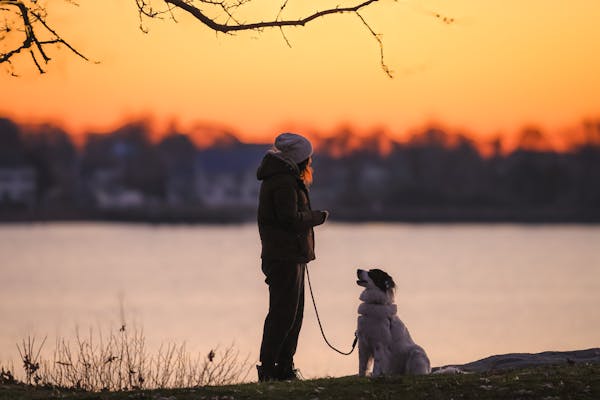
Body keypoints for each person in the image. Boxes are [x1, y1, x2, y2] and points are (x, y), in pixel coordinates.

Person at [256, 132, 329, 382]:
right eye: (308, 158)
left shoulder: (286, 179)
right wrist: (316, 217)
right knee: (283, 314)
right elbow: (288, 219)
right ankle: (269, 369)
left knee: (292, 315)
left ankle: (284, 367)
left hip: (291, 256)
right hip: (283, 258)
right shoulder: (283, 182)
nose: (310, 163)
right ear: (299, 159)